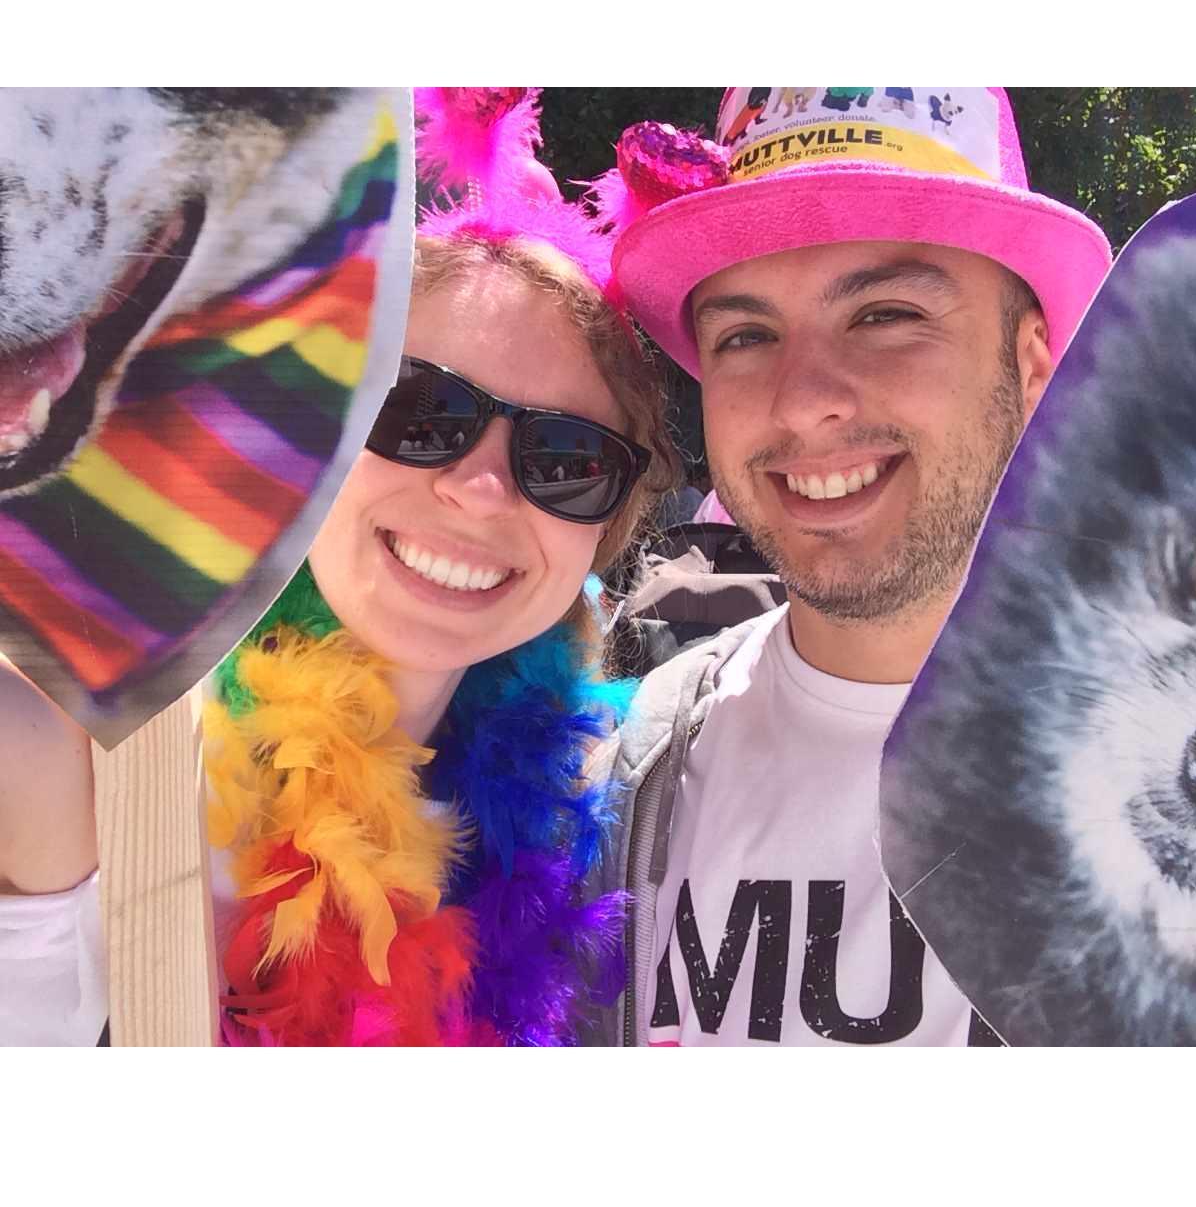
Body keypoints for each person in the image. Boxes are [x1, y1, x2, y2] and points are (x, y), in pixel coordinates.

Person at [0, 87, 677, 1047]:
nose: (482, 489)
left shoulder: (595, 822)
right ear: (306, 433)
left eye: (565, 464)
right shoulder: (109, 754)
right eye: (420, 412)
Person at [586, 87, 1113, 1046]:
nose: (804, 404)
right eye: (745, 336)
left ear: (1034, 366)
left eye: (885, 314)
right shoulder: (632, 778)